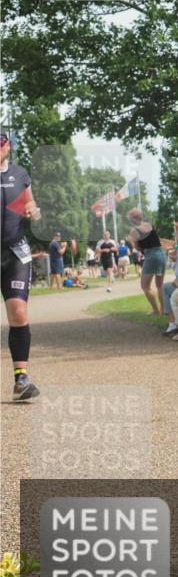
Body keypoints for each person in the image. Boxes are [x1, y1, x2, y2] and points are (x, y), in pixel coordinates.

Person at [1, 128, 43, 400]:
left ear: (8, 146)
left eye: (0, 142)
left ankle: (21, 379)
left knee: (18, 313)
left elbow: (33, 208)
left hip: (14, 251)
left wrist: (33, 212)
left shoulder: (20, 174)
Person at [126, 208, 167, 314]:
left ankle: (156, 310)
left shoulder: (134, 230)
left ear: (133, 219)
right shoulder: (149, 225)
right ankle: (164, 310)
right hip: (161, 253)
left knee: (145, 286)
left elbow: (138, 248)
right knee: (160, 285)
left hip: (151, 255)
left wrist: (131, 241)